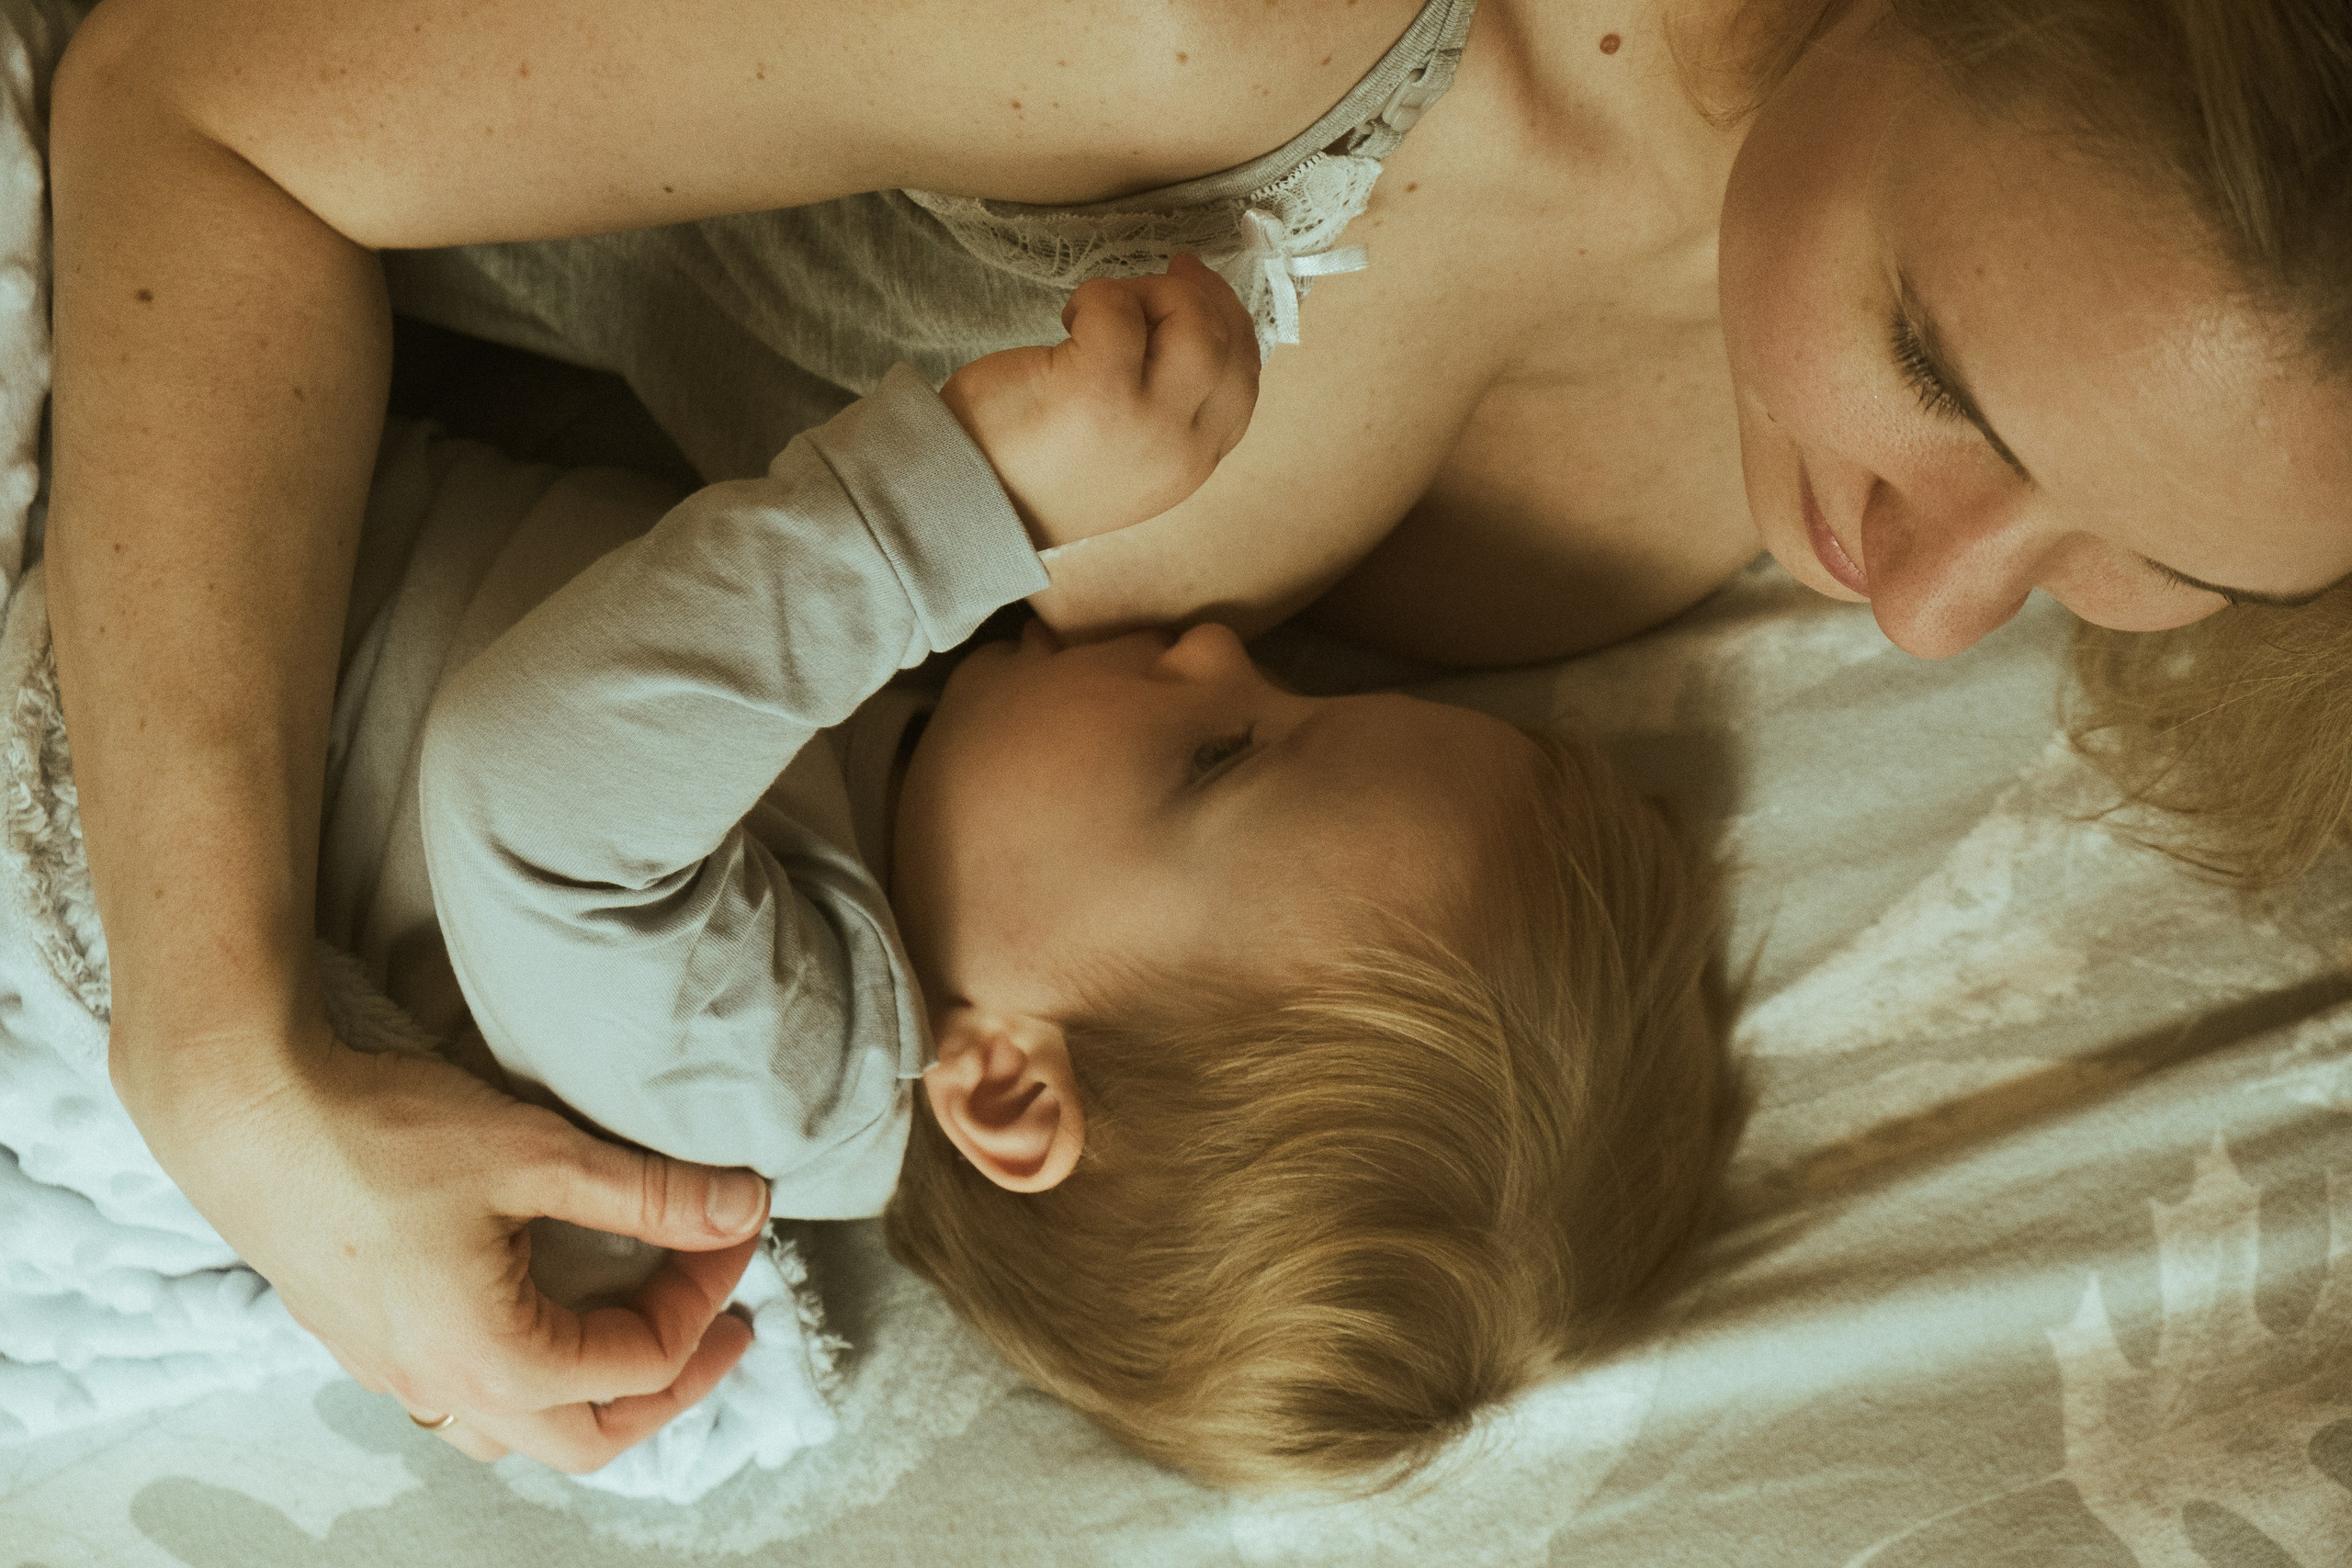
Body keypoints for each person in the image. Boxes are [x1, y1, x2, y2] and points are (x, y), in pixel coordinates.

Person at [42, 0, 2351, 1463]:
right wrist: (221, 1044)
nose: (1937, 616)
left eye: (2165, 558)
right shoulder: (1219, 35)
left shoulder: (798, 1059)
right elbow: (185, 105)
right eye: (1938, 367)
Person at [311, 256, 1731, 1482]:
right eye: (1305, 687)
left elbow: (522, 778)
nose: (1218, 646)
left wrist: (961, 498)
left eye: (1220, 757)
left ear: (1006, 1085)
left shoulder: (778, 1070)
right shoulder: (908, 806)